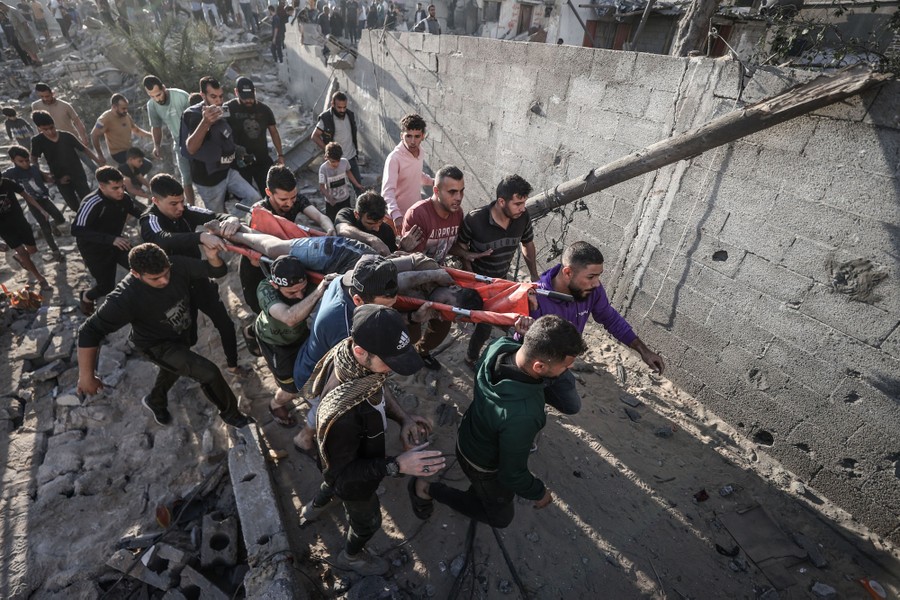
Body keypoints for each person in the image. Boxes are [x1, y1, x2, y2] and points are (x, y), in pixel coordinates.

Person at [304, 303, 443, 576]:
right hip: (351, 478)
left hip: (336, 461)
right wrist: (397, 465)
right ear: (361, 351)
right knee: (367, 522)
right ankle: (351, 556)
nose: (390, 371)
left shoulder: (351, 359)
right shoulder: (344, 414)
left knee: (329, 479)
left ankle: (316, 506)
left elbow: (378, 385)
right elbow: (345, 475)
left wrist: (403, 418)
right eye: (388, 362)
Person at [409, 315, 585, 527]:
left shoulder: (499, 346)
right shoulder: (525, 414)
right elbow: (512, 474)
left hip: (469, 435)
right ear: (538, 367)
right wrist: (538, 491)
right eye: (565, 367)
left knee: (483, 491)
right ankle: (426, 489)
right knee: (500, 517)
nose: (568, 370)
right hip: (483, 465)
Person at [76, 243, 254, 429]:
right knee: (208, 373)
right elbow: (89, 331)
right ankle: (233, 416)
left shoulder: (177, 265)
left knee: (174, 368)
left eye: (166, 273)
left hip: (180, 334)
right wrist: (86, 376)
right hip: (156, 346)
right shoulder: (124, 298)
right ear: (136, 274)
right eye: (155, 279)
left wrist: (212, 256)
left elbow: (216, 270)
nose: (164, 281)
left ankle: (155, 400)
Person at [290, 254, 437, 450]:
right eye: (383, 307)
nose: (388, 312)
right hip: (316, 380)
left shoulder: (349, 279)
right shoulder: (346, 328)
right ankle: (304, 440)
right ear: (358, 299)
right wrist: (404, 418)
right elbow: (370, 379)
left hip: (311, 356)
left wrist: (410, 317)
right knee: (325, 413)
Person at [531, 241, 666, 414]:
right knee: (532, 412)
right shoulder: (537, 298)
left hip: (562, 365)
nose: (596, 283)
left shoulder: (590, 291)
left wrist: (643, 350)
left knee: (571, 406)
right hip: (537, 365)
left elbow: (609, 318)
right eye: (591, 277)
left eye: (598, 276)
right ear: (567, 272)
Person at [140, 173, 250, 376]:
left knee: (225, 324)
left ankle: (233, 366)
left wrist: (231, 219)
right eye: (173, 203)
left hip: (198, 280)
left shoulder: (185, 210)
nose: (180, 207)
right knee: (186, 338)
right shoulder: (150, 220)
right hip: (171, 289)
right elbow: (162, 239)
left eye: (182, 201)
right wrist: (200, 236)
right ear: (155, 201)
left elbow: (215, 216)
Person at [453, 174, 539, 367]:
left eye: (524, 203)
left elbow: (527, 243)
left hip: (502, 281)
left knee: (515, 320)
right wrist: (469, 267)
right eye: (517, 204)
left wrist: (533, 274)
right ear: (501, 201)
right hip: (479, 285)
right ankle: (471, 358)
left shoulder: (522, 217)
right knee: (484, 326)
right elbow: (459, 247)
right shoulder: (475, 219)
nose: (522, 208)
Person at [237, 164, 335, 315]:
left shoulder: (296, 201)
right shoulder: (257, 214)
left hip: (285, 261)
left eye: (293, 197)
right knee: (264, 309)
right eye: (283, 199)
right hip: (258, 265)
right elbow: (252, 248)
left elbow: (319, 217)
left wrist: (329, 228)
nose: (289, 203)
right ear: (269, 192)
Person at [254, 256, 334, 427]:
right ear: (275, 285)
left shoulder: (310, 281)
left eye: (303, 289)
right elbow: (289, 318)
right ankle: (276, 404)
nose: (299, 296)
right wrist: (318, 291)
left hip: (301, 336)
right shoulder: (265, 289)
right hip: (276, 344)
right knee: (291, 387)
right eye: (291, 292)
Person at [398, 164, 465, 370]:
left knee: (442, 326)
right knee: (413, 330)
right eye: (452, 192)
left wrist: (466, 253)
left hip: (438, 280)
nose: (459, 197)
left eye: (461, 191)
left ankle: (422, 352)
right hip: (415, 282)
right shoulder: (418, 214)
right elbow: (414, 261)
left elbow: (449, 245)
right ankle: (405, 356)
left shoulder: (457, 213)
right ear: (436, 191)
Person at [180, 76, 260, 213]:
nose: (218, 101)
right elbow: (191, 148)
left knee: (254, 198)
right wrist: (205, 123)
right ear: (202, 95)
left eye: (220, 96)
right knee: (219, 216)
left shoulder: (222, 110)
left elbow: (224, 136)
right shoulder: (193, 115)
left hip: (227, 171)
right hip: (208, 179)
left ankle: (232, 223)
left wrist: (237, 150)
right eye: (213, 97)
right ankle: (226, 226)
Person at [72, 166, 144, 316]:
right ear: (102, 187)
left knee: (141, 266)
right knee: (106, 287)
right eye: (115, 188)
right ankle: (86, 296)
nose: (121, 191)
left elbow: (139, 212)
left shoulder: (123, 197)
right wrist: (110, 239)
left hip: (118, 243)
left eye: (122, 186)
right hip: (95, 250)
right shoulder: (92, 203)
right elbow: (77, 229)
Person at [30, 110, 102, 213]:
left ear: (54, 124)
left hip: (78, 173)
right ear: (39, 128)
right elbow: (33, 160)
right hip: (59, 177)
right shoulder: (37, 141)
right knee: (73, 204)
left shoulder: (67, 136)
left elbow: (84, 149)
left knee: (87, 199)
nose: (50, 132)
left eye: (51, 127)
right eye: (45, 129)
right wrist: (44, 174)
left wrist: (98, 162)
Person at [3, 145, 65, 259]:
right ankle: (55, 251)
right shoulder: (11, 173)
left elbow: (47, 178)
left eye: (27, 160)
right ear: (13, 161)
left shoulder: (34, 169)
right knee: (45, 228)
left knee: (60, 218)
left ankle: (53, 226)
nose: (25, 164)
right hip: (32, 203)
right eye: (21, 161)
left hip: (45, 199)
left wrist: (58, 179)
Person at [224, 77, 284, 195]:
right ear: (236, 92)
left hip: (261, 159)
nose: (248, 101)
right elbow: (221, 132)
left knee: (269, 192)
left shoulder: (264, 109)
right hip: (240, 161)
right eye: (245, 98)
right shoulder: (227, 109)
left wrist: (280, 155)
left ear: (254, 92)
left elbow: (274, 132)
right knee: (246, 196)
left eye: (251, 97)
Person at [143, 75, 196, 206]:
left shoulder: (181, 96)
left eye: (158, 94)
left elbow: (196, 117)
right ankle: (192, 206)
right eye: (152, 96)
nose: (157, 98)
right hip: (178, 142)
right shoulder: (152, 105)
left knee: (203, 173)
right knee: (186, 177)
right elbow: (156, 126)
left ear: (164, 88)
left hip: (194, 137)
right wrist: (157, 145)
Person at [0, 171, 53, 290]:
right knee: (24, 253)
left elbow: (26, 195)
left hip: (20, 222)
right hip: (4, 228)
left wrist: (41, 210)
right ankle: (40, 278)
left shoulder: (7, 183)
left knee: (32, 250)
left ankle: (19, 257)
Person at [381, 113, 433, 230]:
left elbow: (416, 174)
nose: (412, 141)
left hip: (414, 213)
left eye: (417, 136)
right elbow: (387, 191)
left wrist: (434, 182)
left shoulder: (420, 152)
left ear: (423, 136)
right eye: (408, 136)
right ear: (401, 136)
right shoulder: (394, 158)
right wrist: (396, 215)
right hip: (396, 218)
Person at [335, 190, 421, 257]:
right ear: (357, 214)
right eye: (370, 223)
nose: (377, 228)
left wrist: (403, 248)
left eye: (380, 222)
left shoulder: (386, 231)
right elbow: (342, 230)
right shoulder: (347, 214)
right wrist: (373, 240)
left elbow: (392, 258)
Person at [311, 92, 363, 194]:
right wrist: (328, 150)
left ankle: (360, 209)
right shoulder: (326, 118)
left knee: (358, 187)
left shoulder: (350, 115)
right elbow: (314, 136)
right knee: (335, 191)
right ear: (332, 104)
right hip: (336, 162)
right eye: (339, 107)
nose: (342, 110)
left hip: (351, 157)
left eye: (344, 107)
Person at [91, 93, 152, 167]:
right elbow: (94, 135)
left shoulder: (125, 115)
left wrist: (152, 135)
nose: (126, 110)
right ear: (114, 107)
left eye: (126, 108)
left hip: (129, 151)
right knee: (141, 167)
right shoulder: (105, 118)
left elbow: (136, 130)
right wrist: (100, 155)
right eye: (123, 108)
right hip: (118, 153)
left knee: (147, 165)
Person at [317, 142, 362, 222]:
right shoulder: (323, 169)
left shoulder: (344, 162)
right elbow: (322, 187)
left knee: (347, 220)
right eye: (333, 161)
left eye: (338, 160)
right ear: (326, 157)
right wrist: (329, 198)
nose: (336, 164)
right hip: (332, 202)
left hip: (345, 199)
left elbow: (349, 172)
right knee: (332, 222)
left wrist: (357, 184)